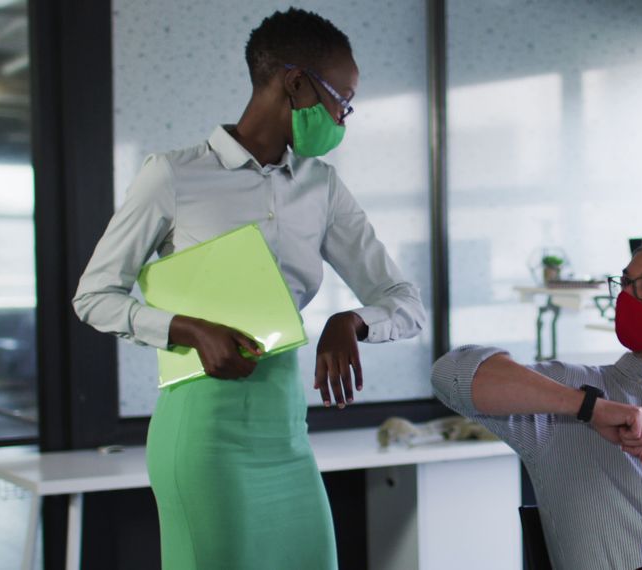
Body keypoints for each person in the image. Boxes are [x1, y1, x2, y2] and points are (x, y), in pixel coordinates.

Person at [73, 8, 426, 569]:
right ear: (295, 83)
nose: (343, 118)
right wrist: (188, 329)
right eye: (343, 100)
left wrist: (351, 321)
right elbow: (94, 296)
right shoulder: (171, 175)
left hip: (286, 434)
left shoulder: (322, 187)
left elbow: (406, 304)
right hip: (203, 434)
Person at [432, 225, 642, 569]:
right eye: (625, 283)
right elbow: (450, 373)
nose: (628, 297)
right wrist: (588, 407)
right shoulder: (570, 389)